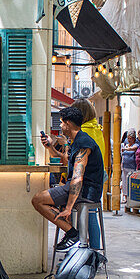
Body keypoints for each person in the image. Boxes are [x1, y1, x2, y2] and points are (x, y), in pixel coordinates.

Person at [32, 102, 105, 252]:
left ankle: (73, 234)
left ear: (69, 123)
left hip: (86, 190)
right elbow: (67, 160)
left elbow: (78, 177)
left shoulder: (84, 142)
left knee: (38, 200)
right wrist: (51, 147)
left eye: (61, 123)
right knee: (40, 199)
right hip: (79, 187)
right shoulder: (76, 140)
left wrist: (69, 207)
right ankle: (74, 238)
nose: (60, 126)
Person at [121, 129, 139, 201]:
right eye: (128, 138)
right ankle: (126, 198)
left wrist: (126, 149)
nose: (129, 140)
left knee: (131, 183)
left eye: (130, 138)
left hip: (132, 167)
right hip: (124, 166)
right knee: (125, 183)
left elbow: (133, 148)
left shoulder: (136, 145)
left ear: (134, 138)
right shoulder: (126, 144)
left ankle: (131, 198)